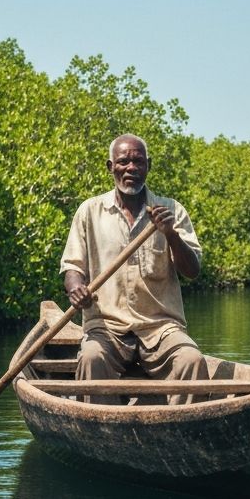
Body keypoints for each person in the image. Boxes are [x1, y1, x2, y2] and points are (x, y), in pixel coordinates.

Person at [60, 134, 208, 404]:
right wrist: (76, 289)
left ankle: (179, 431)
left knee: (192, 360)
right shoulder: (89, 212)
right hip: (106, 327)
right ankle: (103, 432)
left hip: (161, 327)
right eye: (123, 162)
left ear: (148, 166)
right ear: (110, 167)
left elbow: (192, 270)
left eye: (138, 161)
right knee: (92, 359)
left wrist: (171, 234)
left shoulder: (171, 211)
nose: (131, 168)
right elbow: (73, 267)